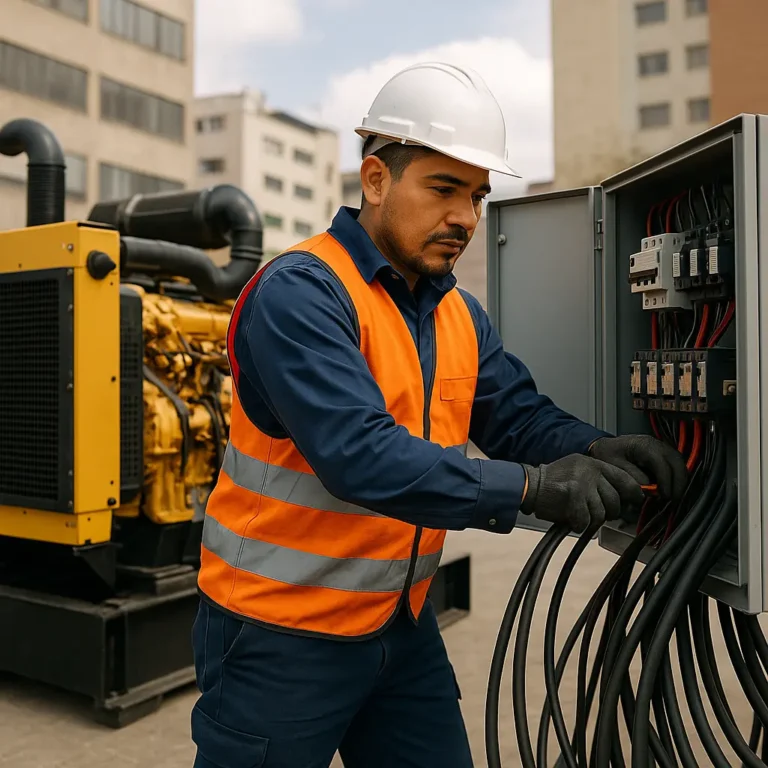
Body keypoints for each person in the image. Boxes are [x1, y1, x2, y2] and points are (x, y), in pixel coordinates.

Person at [189, 62, 687, 768]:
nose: (465, 217)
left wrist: (606, 452)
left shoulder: (456, 312)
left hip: (400, 627)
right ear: (374, 181)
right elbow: (359, 455)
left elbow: (518, 419)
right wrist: (533, 490)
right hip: (279, 633)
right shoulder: (301, 293)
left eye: (479, 197)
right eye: (444, 189)